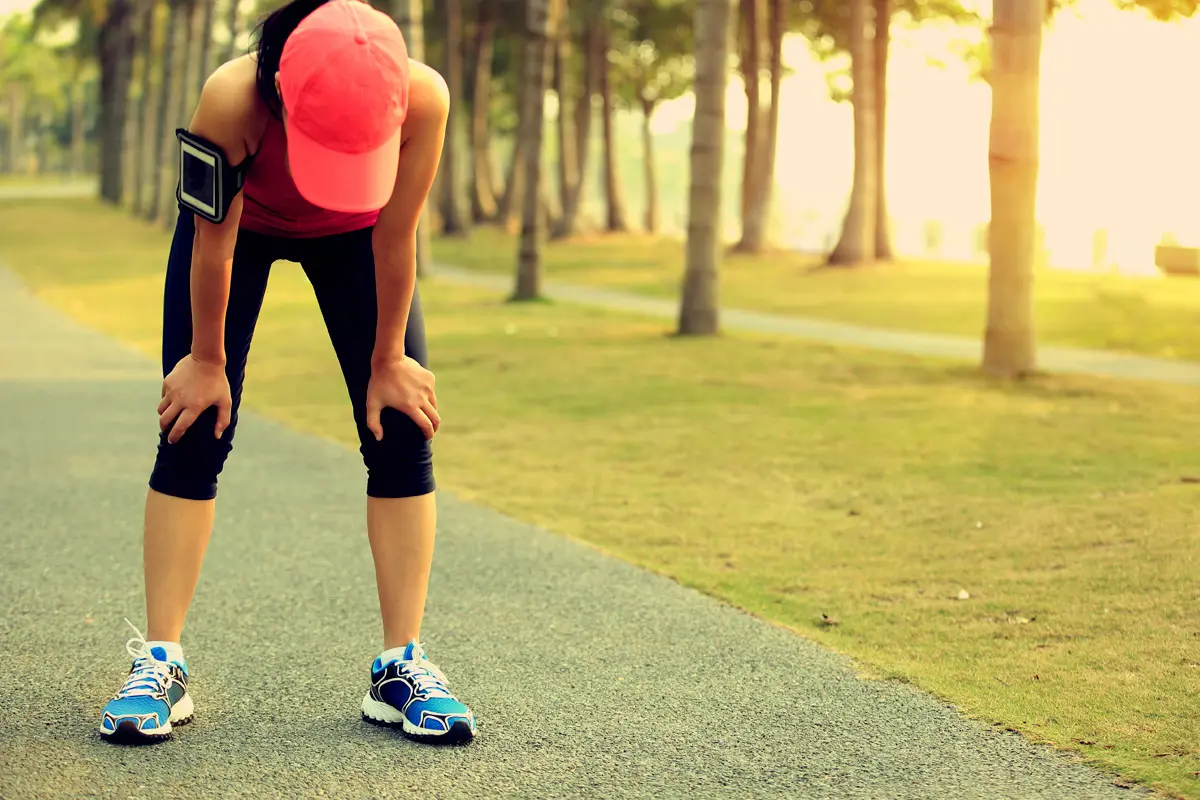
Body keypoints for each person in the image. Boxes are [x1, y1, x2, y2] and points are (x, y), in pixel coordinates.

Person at [97, 0, 476, 745]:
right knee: (193, 424)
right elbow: (213, 245)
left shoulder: (422, 97)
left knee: (401, 424)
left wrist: (389, 358)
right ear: (282, 93)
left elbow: (396, 237)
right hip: (245, 230)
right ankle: (162, 663)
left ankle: (401, 666)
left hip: (358, 238)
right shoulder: (230, 99)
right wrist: (206, 362)